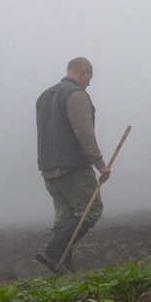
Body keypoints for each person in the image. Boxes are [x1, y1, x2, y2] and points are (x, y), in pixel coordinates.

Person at [35, 57, 111, 273]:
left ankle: (64, 269)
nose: (89, 83)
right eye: (90, 78)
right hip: (72, 166)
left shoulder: (44, 96)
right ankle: (52, 253)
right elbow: (84, 132)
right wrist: (100, 164)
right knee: (91, 209)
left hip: (49, 167)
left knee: (65, 218)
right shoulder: (76, 95)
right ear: (84, 72)